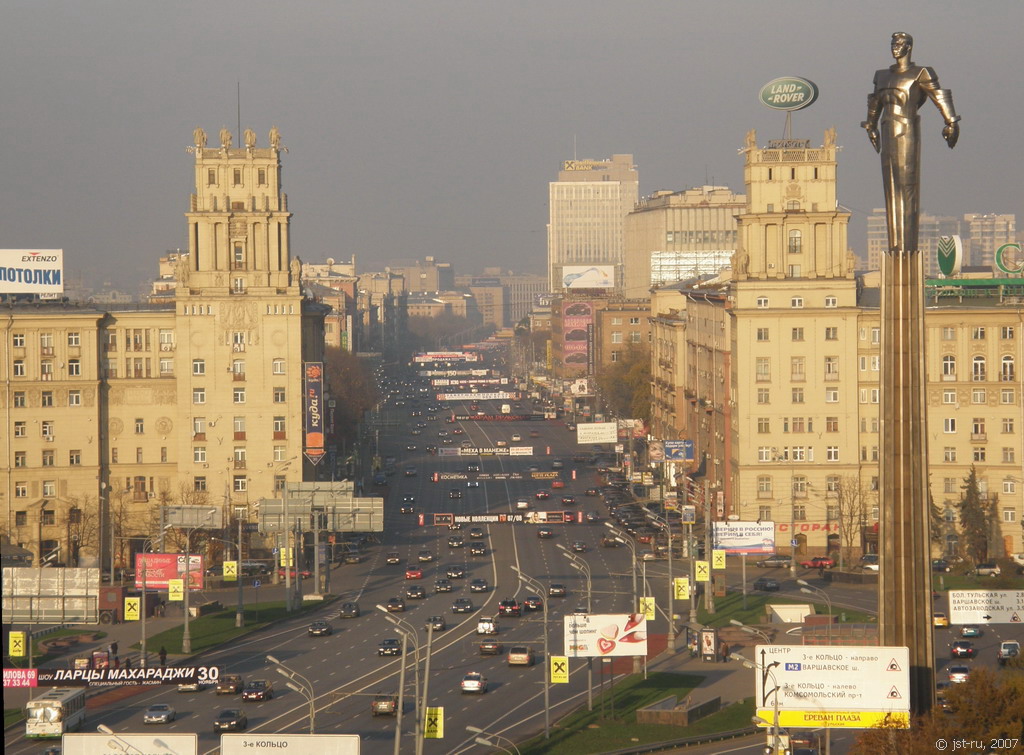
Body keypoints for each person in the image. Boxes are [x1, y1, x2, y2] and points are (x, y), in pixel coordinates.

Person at [862, 32, 959, 256]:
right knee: (891, 187)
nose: (894, 47)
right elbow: (875, 101)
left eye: (899, 44)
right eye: (892, 44)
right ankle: (896, 248)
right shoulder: (882, 75)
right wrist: (870, 125)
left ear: (909, 47)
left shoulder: (921, 73)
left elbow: (939, 96)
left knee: (907, 186)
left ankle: (907, 248)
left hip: (907, 129)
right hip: (887, 129)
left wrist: (951, 122)